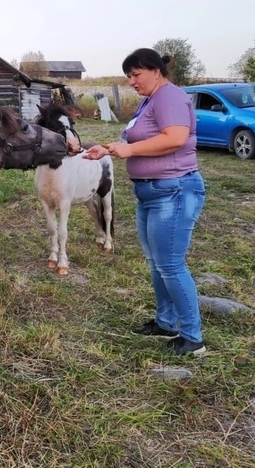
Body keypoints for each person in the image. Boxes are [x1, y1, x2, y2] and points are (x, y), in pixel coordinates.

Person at [84, 48, 207, 357]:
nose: (132, 81)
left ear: (155, 70)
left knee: (171, 265)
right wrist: (109, 148)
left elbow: (175, 137)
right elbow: (137, 140)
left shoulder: (170, 97)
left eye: (136, 74)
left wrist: (130, 152)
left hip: (174, 191)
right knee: (157, 264)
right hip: (151, 194)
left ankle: (193, 337)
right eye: (128, 76)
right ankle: (166, 322)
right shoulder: (150, 100)